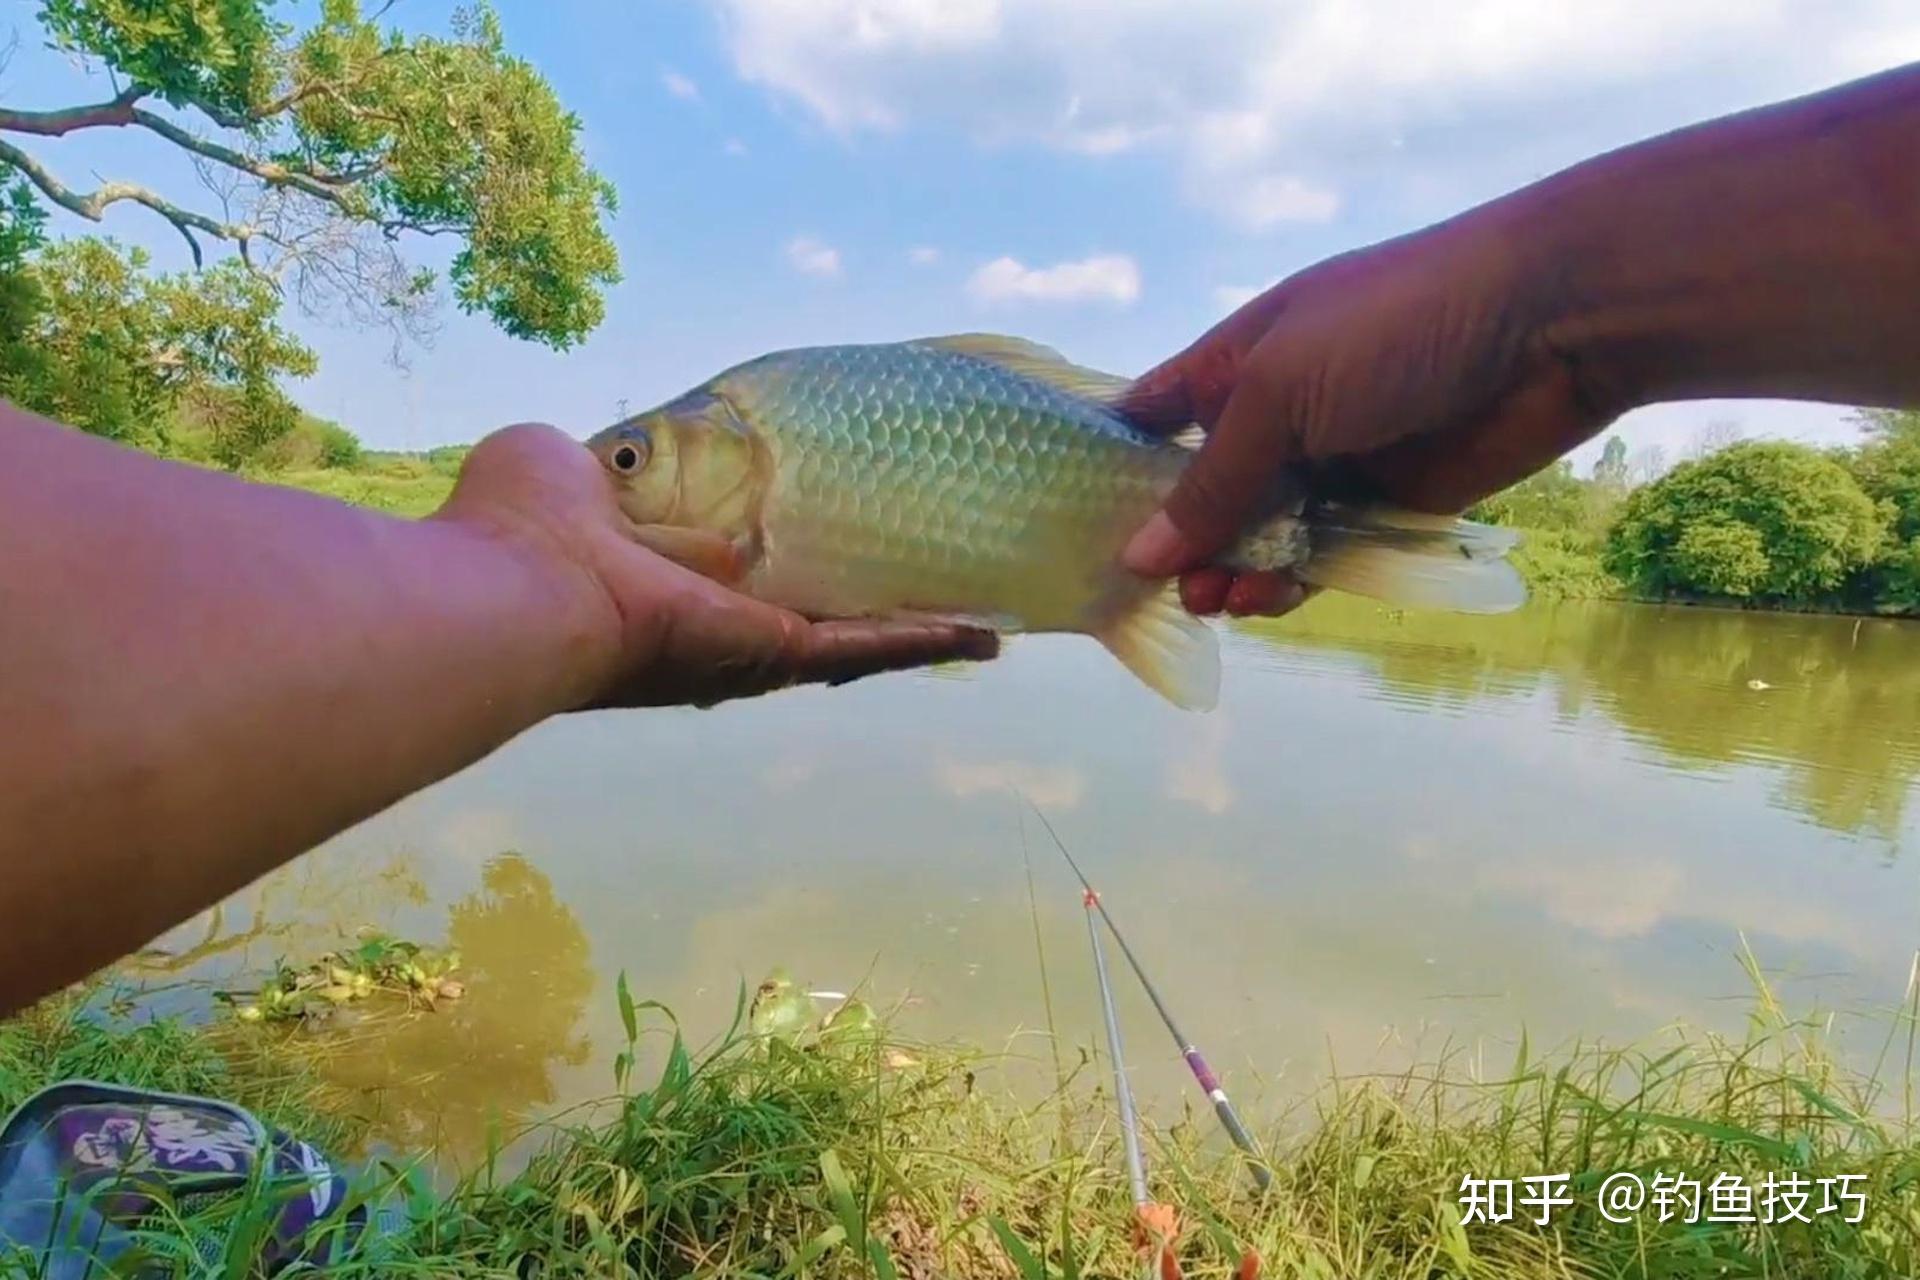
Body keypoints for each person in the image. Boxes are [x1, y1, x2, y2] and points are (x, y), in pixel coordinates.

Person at [2, 62, 1915, 1016]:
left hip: (1115, 532)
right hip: (1116, 539)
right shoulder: (767, 440)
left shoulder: (784, 422)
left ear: (728, 457)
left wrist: (1561, 312)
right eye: (620, 463)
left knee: (1228, 559)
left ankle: (1344, 528)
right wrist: (1564, 311)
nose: (619, 479)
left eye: (637, 460)